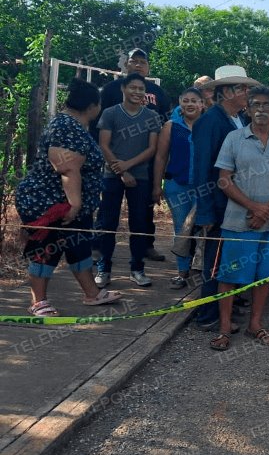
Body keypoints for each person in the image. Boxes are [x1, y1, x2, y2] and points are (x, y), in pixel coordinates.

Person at [16, 79, 122, 316]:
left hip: (72, 204)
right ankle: (38, 301)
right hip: (51, 203)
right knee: (46, 249)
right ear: (93, 106)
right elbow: (66, 167)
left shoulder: (73, 125)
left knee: (79, 247)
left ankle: (92, 293)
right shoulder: (66, 126)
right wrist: (74, 203)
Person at [209, 86, 269, 351]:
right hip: (238, 220)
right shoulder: (234, 138)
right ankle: (225, 328)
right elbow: (224, 180)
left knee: (264, 276)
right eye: (255, 105)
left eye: (266, 105)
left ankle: (255, 324)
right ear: (247, 110)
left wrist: (267, 209)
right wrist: (253, 207)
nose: (260, 110)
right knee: (229, 275)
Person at [191, 65, 259, 331]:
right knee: (215, 261)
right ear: (228, 91)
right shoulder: (210, 121)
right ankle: (208, 316)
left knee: (229, 259)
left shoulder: (240, 119)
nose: (247, 93)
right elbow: (202, 169)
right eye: (243, 88)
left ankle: (224, 310)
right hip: (217, 203)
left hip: (236, 202)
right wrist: (205, 211)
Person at [97, 48, 171, 262]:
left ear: (148, 67)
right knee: (107, 210)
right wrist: (115, 164)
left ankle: (146, 246)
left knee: (144, 210)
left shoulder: (158, 93)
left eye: (142, 62)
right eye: (134, 61)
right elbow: (98, 129)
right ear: (126, 65)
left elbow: (166, 122)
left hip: (145, 162)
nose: (138, 65)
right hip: (113, 163)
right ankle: (100, 250)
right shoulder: (110, 90)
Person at [94, 73, 161, 288]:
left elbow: (152, 149)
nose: (137, 92)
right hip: (112, 175)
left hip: (140, 176)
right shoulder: (110, 113)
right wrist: (121, 171)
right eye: (133, 87)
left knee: (139, 223)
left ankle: (137, 268)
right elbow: (104, 145)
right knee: (108, 222)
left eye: (141, 89)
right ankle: (104, 268)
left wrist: (128, 166)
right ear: (123, 88)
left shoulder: (151, 116)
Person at [152, 87, 204, 288]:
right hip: (177, 185)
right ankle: (182, 272)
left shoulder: (208, 126)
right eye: (186, 100)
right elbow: (161, 157)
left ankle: (200, 270)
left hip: (203, 187)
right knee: (181, 228)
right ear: (180, 103)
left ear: (202, 105)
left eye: (194, 101)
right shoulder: (171, 126)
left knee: (202, 228)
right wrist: (157, 185)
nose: (190, 104)